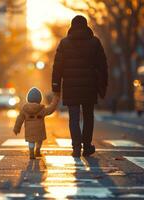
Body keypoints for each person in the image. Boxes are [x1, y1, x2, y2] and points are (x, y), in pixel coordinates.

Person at [51, 15, 108, 157]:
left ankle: (76, 147)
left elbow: (57, 67)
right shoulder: (95, 43)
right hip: (90, 86)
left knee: (74, 117)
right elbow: (103, 66)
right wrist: (103, 86)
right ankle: (87, 146)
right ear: (86, 26)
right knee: (88, 117)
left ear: (72, 26)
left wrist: (56, 86)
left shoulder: (64, 43)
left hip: (71, 87)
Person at [13, 87, 60, 159]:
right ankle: (37, 150)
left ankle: (31, 152)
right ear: (39, 99)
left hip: (29, 131)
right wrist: (55, 100)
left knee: (31, 141)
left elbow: (19, 119)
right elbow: (50, 109)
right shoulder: (42, 109)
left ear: (28, 99)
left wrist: (17, 129)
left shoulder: (24, 109)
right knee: (39, 140)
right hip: (39, 130)